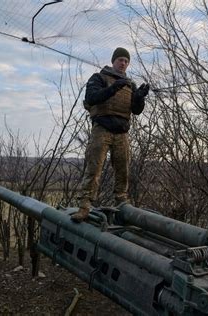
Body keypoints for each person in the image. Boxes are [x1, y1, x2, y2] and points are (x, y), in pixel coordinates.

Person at [71, 47, 150, 222]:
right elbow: (92, 98)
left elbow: (136, 111)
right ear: (113, 61)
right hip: (102, 129)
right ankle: (84, 206)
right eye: (120, 60)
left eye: (126, 61)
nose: (123, 63)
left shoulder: (130, 84)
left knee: (123, 170)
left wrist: (139, 97)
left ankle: (122, 203)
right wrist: (113, 88)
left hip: (121, 132)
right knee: (94, 169)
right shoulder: (98, 78)